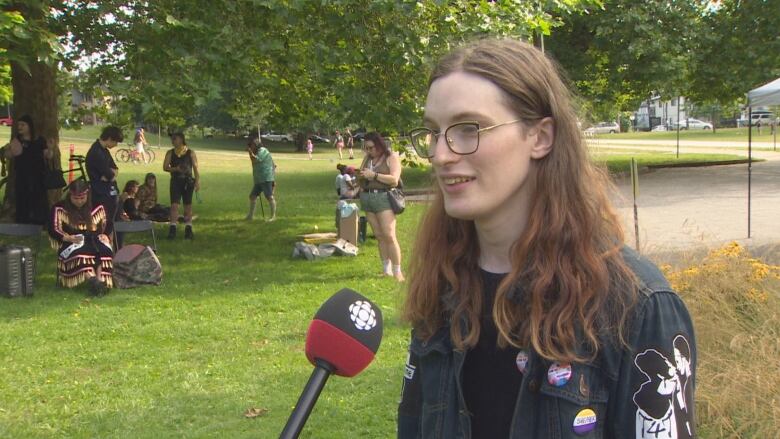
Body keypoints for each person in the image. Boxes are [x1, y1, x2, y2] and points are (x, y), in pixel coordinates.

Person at [397, 39, 696, 439]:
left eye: (468, 129)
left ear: (540, 137)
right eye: (434, 132)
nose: (440, 154)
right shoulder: (444, 284)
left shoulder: (636, 306)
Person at [48, 179, 113, 296]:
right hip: (71, 243)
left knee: (105, 251)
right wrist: (67, 238)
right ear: (70, 196)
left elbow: (108, 223)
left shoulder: (97, 206)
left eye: (82, 198)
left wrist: (105, 235)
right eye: (76, 199)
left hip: (94, 240)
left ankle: (100, 282)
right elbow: (53, 229)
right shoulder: (59, 208)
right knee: (80, 254)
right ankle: (93, 281)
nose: (79, 202)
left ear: (87, 195)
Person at [358, 132, 403, 281]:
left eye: (371, 148)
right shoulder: (368, 158)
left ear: (379, 145)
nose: (369, 151)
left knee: (389, 235)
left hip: (383, 198)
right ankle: (386, 270)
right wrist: (359, 177)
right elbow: (362, 174)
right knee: (379, 236)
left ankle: (398, 272)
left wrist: (374, 176)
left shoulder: (391, 157)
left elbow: (394, 180)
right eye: (366, 148)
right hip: (367, 198)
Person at [2, 114, 52, 224]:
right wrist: (7, 150)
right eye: (18, 125)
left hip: (38, 175)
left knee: (39, 199)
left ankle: (40, 222)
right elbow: (9, 155)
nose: (19, 127)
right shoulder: (17, 140)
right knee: (22, 198)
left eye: (23, 125)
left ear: (30, 126)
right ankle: (23, 221)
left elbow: (48, 155)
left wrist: (50, 148)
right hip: (22, 176)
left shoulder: (40, 140)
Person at [86, 126, 123, 239]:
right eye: (116, 142)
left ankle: (115, 246)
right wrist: (110, 175)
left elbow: (115, 169)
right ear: (110, 138)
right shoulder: (96, 152)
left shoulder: (104, 151)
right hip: (101, 193)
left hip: (110, 191)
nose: (116, 145)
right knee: (105, 223)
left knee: (115, 222)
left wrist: (110, 174)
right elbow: (110, 174)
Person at [163, 132, 199, 239]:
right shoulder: (170, 153)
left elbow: (196, 168)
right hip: (175, 181)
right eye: (172, 139)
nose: (173, 141)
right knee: (174, 205)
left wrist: (197, 181)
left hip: (188, 181)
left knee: (188, 206)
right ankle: (172, 229)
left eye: (175, 139)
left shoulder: (190, 152)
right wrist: (175, 169)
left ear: (181, 139)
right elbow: (165, 167)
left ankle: (188, 229)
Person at [245, 137, 277, 221]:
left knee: (269, 196)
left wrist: (250, 153)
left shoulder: (263, 151)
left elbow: (256, 160)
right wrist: (251, 153)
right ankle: (250, 216)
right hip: (258, 179)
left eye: (251, 145)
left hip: (265, 177)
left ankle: (273, 216)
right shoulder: (256, 152)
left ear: (256, 145)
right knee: (252, 196)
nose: (251, 147)